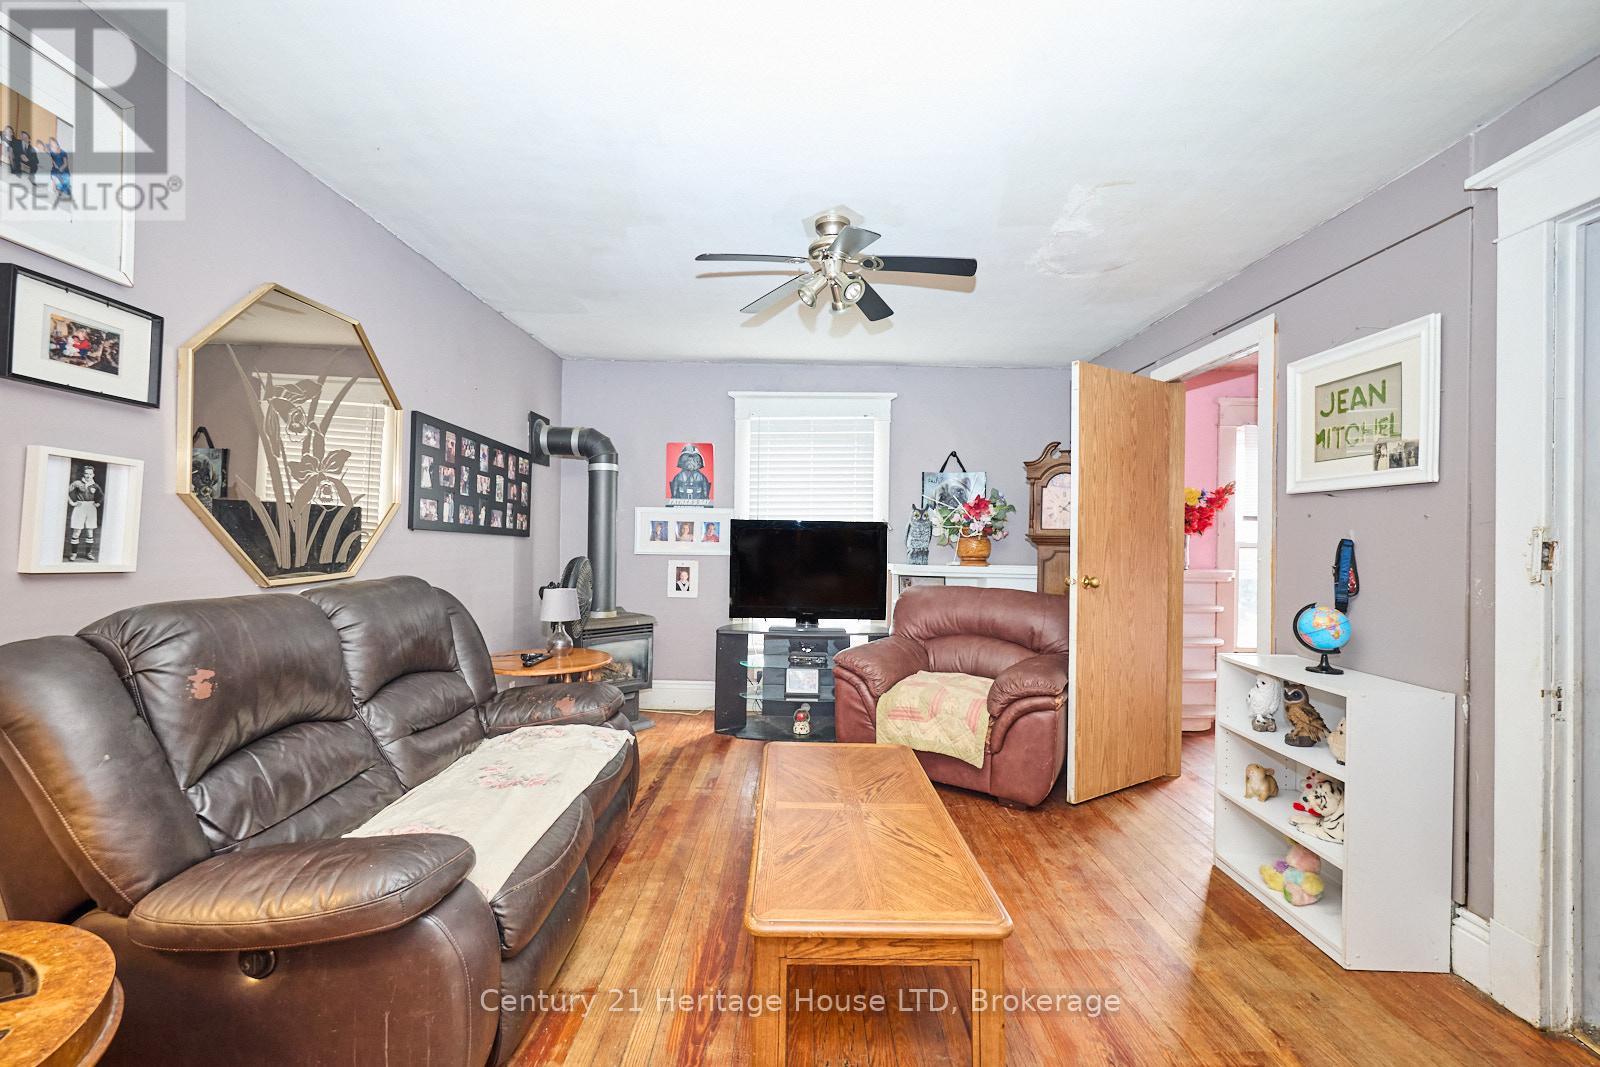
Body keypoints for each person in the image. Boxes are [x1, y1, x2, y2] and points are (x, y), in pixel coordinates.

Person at [66, 464, 101, 562]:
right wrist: (71, 502)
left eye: (90, 474)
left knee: (90, 531)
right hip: (80, 507)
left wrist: (98, 503)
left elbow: (101, 496)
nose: (88, 476)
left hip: (91, 507)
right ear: (83, 474)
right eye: (86, 473)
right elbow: (65, 491)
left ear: (93, 475)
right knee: (77, 531)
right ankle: (73, 554)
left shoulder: (95, 485)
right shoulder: (77, 483)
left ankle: (88, 553)